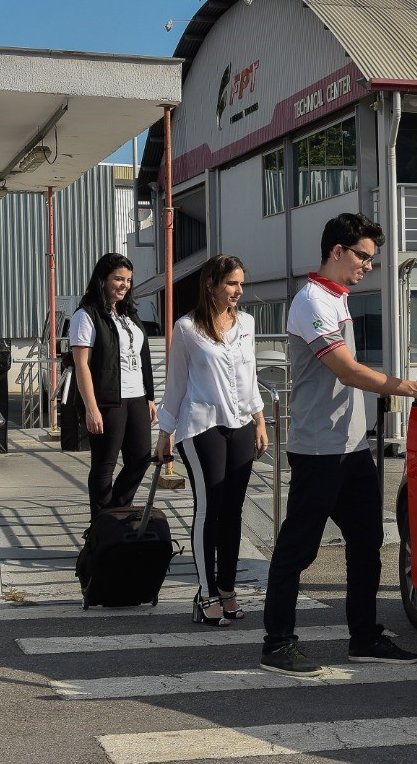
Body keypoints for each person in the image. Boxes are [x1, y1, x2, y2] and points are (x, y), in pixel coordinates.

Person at [259, 213, 417, 677]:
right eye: (363, 256)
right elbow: (345, 370)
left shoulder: (338, 299)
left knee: (368, 541)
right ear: (337, 251)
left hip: (350, 446)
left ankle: (364, 636)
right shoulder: (311, 300)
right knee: (297, 549)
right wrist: (409, 389)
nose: (368, 265)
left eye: (371, 258)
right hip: (318, 448)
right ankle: (277, 643)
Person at [154, 255, 267, 627]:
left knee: (233, 511)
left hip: (241, 426)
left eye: (240, 284)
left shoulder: (247, 323)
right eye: (231, 283)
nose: (238, 291)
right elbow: (176, 384)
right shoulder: (187, 328)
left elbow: (250, 378)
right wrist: (165, 433)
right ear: (211, 284)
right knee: (210, 508)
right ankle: (205, 594)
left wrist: (260, 421)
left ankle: (227, 589)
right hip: (201, 426)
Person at [68, 253, 156, 520]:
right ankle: (101, 527)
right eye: (118, 278)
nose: (124, 285)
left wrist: (149, 397)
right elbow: (81, 365)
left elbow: (143, 358)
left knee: (141, 460)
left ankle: (113, 514)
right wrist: (91, 408)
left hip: (137, 397)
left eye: (128, 280)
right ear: (103, 279)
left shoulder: (128, 313)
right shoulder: (87, 315)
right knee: (104, 465)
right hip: (108, 401)